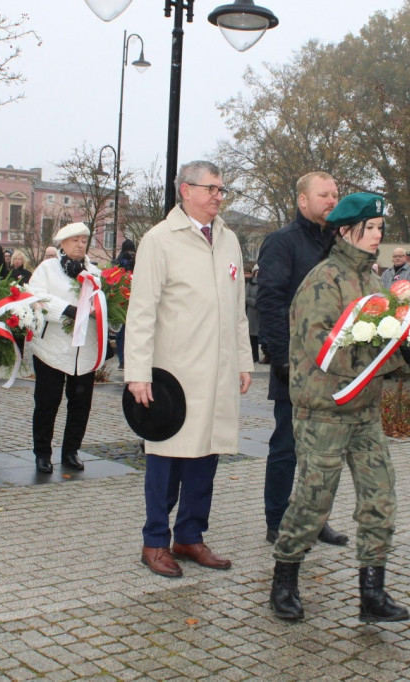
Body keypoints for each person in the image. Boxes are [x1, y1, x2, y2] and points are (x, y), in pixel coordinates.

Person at [269, 192, 410, 624]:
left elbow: (381, 341)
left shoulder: (372, 280)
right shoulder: (323, 280)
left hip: (365, 413)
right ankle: (284, 582)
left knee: (380, 499)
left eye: (381, 229)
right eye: (371, 228)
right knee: (312, 503)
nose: (378, 237)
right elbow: (323, 350)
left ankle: (373, 593)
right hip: (324, 410)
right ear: (347, 230)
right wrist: (382, 358)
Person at [125, 160, 253, 578]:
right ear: (185, 190)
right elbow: (142, 310)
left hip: (217, 371)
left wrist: (243, 360)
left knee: (205, 458)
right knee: (165, 459)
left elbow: (237, 310)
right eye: (211, 188)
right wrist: (137, 372)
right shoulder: (160, 239)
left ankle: (190, 536)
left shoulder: (230, 240)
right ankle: (155, 541)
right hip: (174, 374)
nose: (219, 195)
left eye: (221, 189)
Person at [256, 171, 349, 548]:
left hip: (335, 366)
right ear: (302, 201)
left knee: (325, 449)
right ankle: (277, 520)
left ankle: (315, 516)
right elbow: (271, 302)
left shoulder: (341, 244)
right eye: (323, 194)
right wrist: (281, 359)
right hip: (295, 365)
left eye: (335, 195)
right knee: (287, 447)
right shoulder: (282, 242)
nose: (332, 200)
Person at [27, 222, 103, 474]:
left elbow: (105, 304)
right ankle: (42, 453)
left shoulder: (95, 272)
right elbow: (36, 297)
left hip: (85, 350)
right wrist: (68, 310)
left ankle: (71, 451)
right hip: (51, 349)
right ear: (62, 243)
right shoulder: (47, 269)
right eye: (75, 240)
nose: (80, 245)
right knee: (47, 403)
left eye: (84, 240)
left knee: (80, 405)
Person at [115, 239, 137, 369]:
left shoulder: (136, 261)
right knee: (122, 333)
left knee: (126, 333)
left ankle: (126, 360)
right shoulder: (120, 262)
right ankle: (123, 360)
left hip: (129, 301)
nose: (130, 253)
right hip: (123, 301)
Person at [245, 264, 261, 363]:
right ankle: (254, 356)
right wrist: (256, 303)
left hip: (263, 313)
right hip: (252, 313)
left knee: (263, 337)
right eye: (256, 272)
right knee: (253, 336)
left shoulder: (266, 283)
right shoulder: (250, 284)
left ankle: (267, 356)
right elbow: (246, 298)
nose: (258, 274)